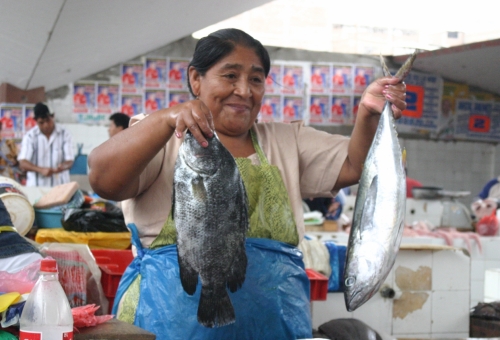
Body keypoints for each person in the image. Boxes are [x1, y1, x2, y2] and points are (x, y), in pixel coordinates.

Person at [88, 28, 406, 339]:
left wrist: (367, 114)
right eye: (230, 76)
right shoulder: (161, 137)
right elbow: (103, 179)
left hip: (276, 329)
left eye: (255, 79)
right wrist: (165, 119)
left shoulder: (287, 140)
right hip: (166, 326)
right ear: (195, 79)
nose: (244, 90)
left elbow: (356, 166)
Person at [18, 103, 74, 187]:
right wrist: (41, 170)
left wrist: (63, 166)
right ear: (36, 121)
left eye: (48, 120)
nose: (46, 125)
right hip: (36, 188)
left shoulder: (64, 134)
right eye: (41, 122)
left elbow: (70, 160)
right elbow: (23, 163)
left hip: (61, 186)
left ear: (53, 116)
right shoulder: (30, 137)